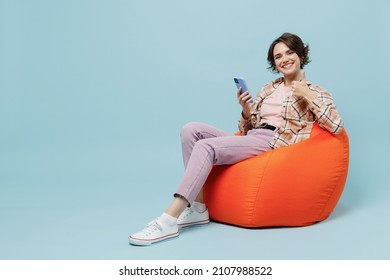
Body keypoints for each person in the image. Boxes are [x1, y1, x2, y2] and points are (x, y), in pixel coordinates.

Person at [128, 32, 344, 246]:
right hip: (254, 135)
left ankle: (168, 219)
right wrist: (246, 110)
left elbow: (335, 125)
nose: (284, 59)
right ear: (274, 63)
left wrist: (306, 94)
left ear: (300, 55)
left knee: (205, 147)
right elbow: (245, 129)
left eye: (289, 53)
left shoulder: (316, 91)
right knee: (190, 130)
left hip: (273, 142)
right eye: (278, 56)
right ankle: (198, 208)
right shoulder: (269, 89)